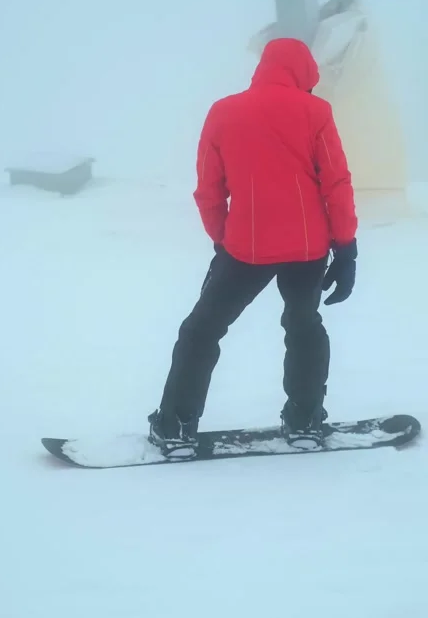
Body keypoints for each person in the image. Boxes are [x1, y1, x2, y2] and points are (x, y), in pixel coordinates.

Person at [149, 37, 358, 449]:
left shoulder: (224, 112)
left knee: (201, 330)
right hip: (308, 248)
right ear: (303, 73)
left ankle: (175, 423)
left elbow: (209, 189)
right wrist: (346, 247)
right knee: (303, 326)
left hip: (245, 248)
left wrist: (221, 240)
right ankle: (304, 418)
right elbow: (336, 182)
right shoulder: (316, 112)